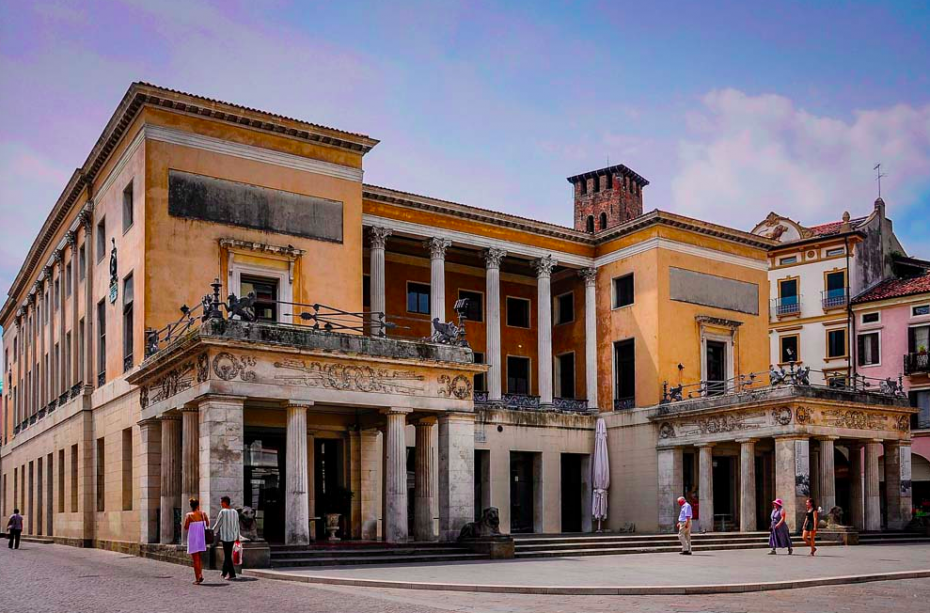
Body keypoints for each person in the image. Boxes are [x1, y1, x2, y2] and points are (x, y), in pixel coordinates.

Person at [183, 497, 210, 584]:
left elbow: (186, 527)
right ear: (198, 505)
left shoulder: (189, 515)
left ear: (191, 506)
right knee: (199, 557)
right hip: (201, 537)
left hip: (193, 537)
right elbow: (208, 523)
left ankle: (198, 577)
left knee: (195, 559)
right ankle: (200, 574)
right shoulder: (203, 514)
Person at [214, 496, 241, 580]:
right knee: (228, 554)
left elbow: (218, 524)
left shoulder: (223, 512)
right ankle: (224, 571)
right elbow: (237, 525)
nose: (220, 504)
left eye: (221, 502)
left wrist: (212, 532)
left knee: (228, 555)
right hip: (233, 536)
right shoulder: (235, 512)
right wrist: (237, 536)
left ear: (225, 502)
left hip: (225, 537)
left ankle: (232, 574)